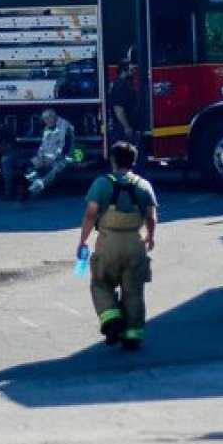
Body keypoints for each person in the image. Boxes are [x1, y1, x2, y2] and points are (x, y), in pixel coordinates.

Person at [76, 141, 158, 350]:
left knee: (101, 283)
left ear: (112, 160)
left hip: (109, 243)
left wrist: (83, 240)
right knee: (134, 292)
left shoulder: (101, 184)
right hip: (135, 243)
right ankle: (132, 336)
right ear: (133, 161)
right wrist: (150, 237)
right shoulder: (144, 185)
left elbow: (91, 214)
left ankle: (111, 320)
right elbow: (151, 216)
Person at [24, 108, 76, 199]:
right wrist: (41, 157)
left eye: (48, 118)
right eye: (44, 119)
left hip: (64, 158)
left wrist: (52, 159)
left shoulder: (65, 126)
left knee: (54, 170)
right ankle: (37, 183)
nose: (46, 121)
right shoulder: (47, 127)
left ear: (54, 116)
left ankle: (35, 188)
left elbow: (64, 147)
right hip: (46, 157)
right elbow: (43, 145)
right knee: (27, 165)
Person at [105, 61, 141, 146]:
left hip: (124, 126)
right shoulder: (120, 85)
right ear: (123, 71)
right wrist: (126, 127)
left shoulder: (121, 84)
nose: (134, 72)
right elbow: (118, 109)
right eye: (131, 70)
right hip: (122, 128)